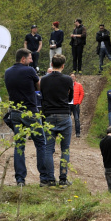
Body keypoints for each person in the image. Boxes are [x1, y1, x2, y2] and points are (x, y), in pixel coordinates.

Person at [4, 48, 49, 187]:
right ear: (23, 59)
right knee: (41, 143)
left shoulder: (7, 72)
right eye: (30, 58)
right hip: (30, 112)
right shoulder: (29, 70)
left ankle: (20, 180)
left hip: (15, 113)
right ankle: (44, 178)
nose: (31, 61)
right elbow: (39, 87)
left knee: (19, 146)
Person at [40, 54, 74, 186]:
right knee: (65, 149)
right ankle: (63, 178)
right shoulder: (67, 79)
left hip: (49, 115)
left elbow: (42, 95)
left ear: (51, 64)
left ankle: (50, 178)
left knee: (48, 149)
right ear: (63, 66)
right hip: (64, 115)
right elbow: (70, 97)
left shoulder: (44, 80)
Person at [69, 73, 84, 138]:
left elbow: (82, 94)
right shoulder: (66, 85)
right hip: (68, 104)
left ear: (75, 77)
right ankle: (67, 132)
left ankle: (78, 133)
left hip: (75, 104)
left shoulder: (79, 85)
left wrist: (79, 102)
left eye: (73, 76)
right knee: (67, 119)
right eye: (71, 76)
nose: (72, 78)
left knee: (77, 119)